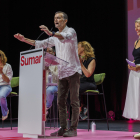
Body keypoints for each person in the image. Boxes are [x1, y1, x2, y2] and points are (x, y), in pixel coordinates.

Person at [14, 11, 81, 137]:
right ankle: (63, 128)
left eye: (59, 18)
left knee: (74, 101)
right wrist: (24, 40)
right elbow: (40, 43)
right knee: (60, 101)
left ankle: (73, 129)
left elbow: (64, 36)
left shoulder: (71, 31)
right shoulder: (54, 38)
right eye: (55, 18)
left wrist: (52, 33)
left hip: (73, 71)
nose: (56, 20)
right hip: (61, 72)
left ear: (65, 20)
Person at [122, 18, 140, 139]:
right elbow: (136, 58)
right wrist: (132, 63)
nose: (136, 29)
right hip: (135, 74)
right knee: (137, 101)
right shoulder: (136, 41)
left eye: (138, 26)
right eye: (135, 26)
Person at [78, 41, 97, 120]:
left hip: (89, 83)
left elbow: (88, 74)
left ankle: (80, 110)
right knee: (68, 89)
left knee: (75, 88)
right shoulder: (78, 59)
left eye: (78, 47)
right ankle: (81, 107)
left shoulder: (92, 60)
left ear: (83, 48)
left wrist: (81, 65)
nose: (76, 49)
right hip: (80, 82)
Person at [0, 50, 13, 121]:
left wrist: (1, 72)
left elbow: (8, 80)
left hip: (5, 86)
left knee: (1, 96)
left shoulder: (8, 66)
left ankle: (5, 112)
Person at [45, 47, 58, 116]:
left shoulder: (57, 62)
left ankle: (47, 106)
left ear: (54, 53)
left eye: (50, 51)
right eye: (46, 51)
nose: (48, 53)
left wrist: (50, 69)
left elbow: (58, 76)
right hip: (45, 85)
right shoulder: (44, 62)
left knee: (49, 91)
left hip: (55, 85)